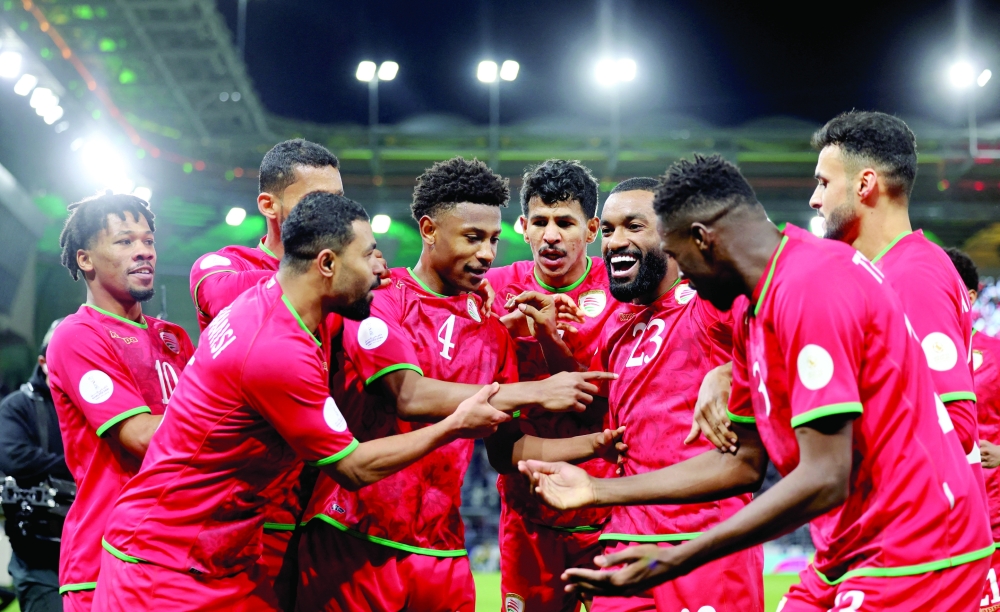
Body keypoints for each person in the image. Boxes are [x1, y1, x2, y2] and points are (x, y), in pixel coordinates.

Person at [521, 154, 993, 610]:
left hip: (921, 549)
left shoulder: (812, 285)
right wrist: (598, 489)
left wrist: (678, 556)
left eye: (679, 259)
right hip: (847, 544)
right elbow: (744, 465)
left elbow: (826, 477)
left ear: (704, 240)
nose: (683, 279)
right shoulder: (752, 309)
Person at [92, 192, 509, 611]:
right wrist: (454, 425)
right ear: (327, 265)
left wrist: (465, 295)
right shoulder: (276, 351)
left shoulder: (288, 309)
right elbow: (352, 467)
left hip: (222, 554)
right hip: (163, 565)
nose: (381, 270)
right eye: (368, 257)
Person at [296, 158, 616, 612]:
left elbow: (507, 453)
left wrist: (600, 443)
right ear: (428, 230)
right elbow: (408, 396)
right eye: (473, 237)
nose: (487, 253)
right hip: (354, 533)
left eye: (492, 240)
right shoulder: (381, 298)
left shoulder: (492, 329)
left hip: (442, 551)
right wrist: (536, 390)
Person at [520, 177, 764, 611]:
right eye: (609, 230)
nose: (615, 242)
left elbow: (782, 342)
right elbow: (591, 403)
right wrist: (550, 340)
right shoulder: (617, 327)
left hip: (706, 537)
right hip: (624, 540)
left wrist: (729, 370)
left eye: (634, 226)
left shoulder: (709, 302)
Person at [691, 112, 982, 466]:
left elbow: (955, 425)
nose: (815, 199)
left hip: (913, 518)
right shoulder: (871, 272)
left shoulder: (911, 275)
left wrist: (821, 438)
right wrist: (730, 374)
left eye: (824, 183)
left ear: (865, 184)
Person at [189, 139, 389, 606]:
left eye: (337, 202)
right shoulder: (224, 266)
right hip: (236, 517)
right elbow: (230, 300)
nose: (331, 214)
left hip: (321, 516)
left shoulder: (344, 280)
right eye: (315, 201)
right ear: (269, 205)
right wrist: (342, 275)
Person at [45, 193, 195, 612]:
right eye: (125, 241)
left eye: (148, 241)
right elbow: (142, 437)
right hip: (106, 559)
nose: (144, 251)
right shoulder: (78, 335)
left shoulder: (173, 337)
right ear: (86, 259)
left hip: (174, 553)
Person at [483, 160, 618, 612]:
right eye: (540, 221)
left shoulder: (620, 288)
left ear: (592, 228)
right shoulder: (494, 288)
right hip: (527, 514)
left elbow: (603, 396)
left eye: (565, 222)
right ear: (522, 226)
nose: (551, 235)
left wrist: (547, 335)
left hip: (607, 511)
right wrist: (498, 329)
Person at [0, 319, 71, 612]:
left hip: (96, 550)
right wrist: (84, 467)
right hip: (40, 559)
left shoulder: (98, 406)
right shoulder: (19, 406)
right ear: (43, 361)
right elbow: (15, 459)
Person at [945, 247, 1000, 611]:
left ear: (969, 296)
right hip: (938, 516)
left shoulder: (995, 353)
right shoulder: (912, 351)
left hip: (993, 515)